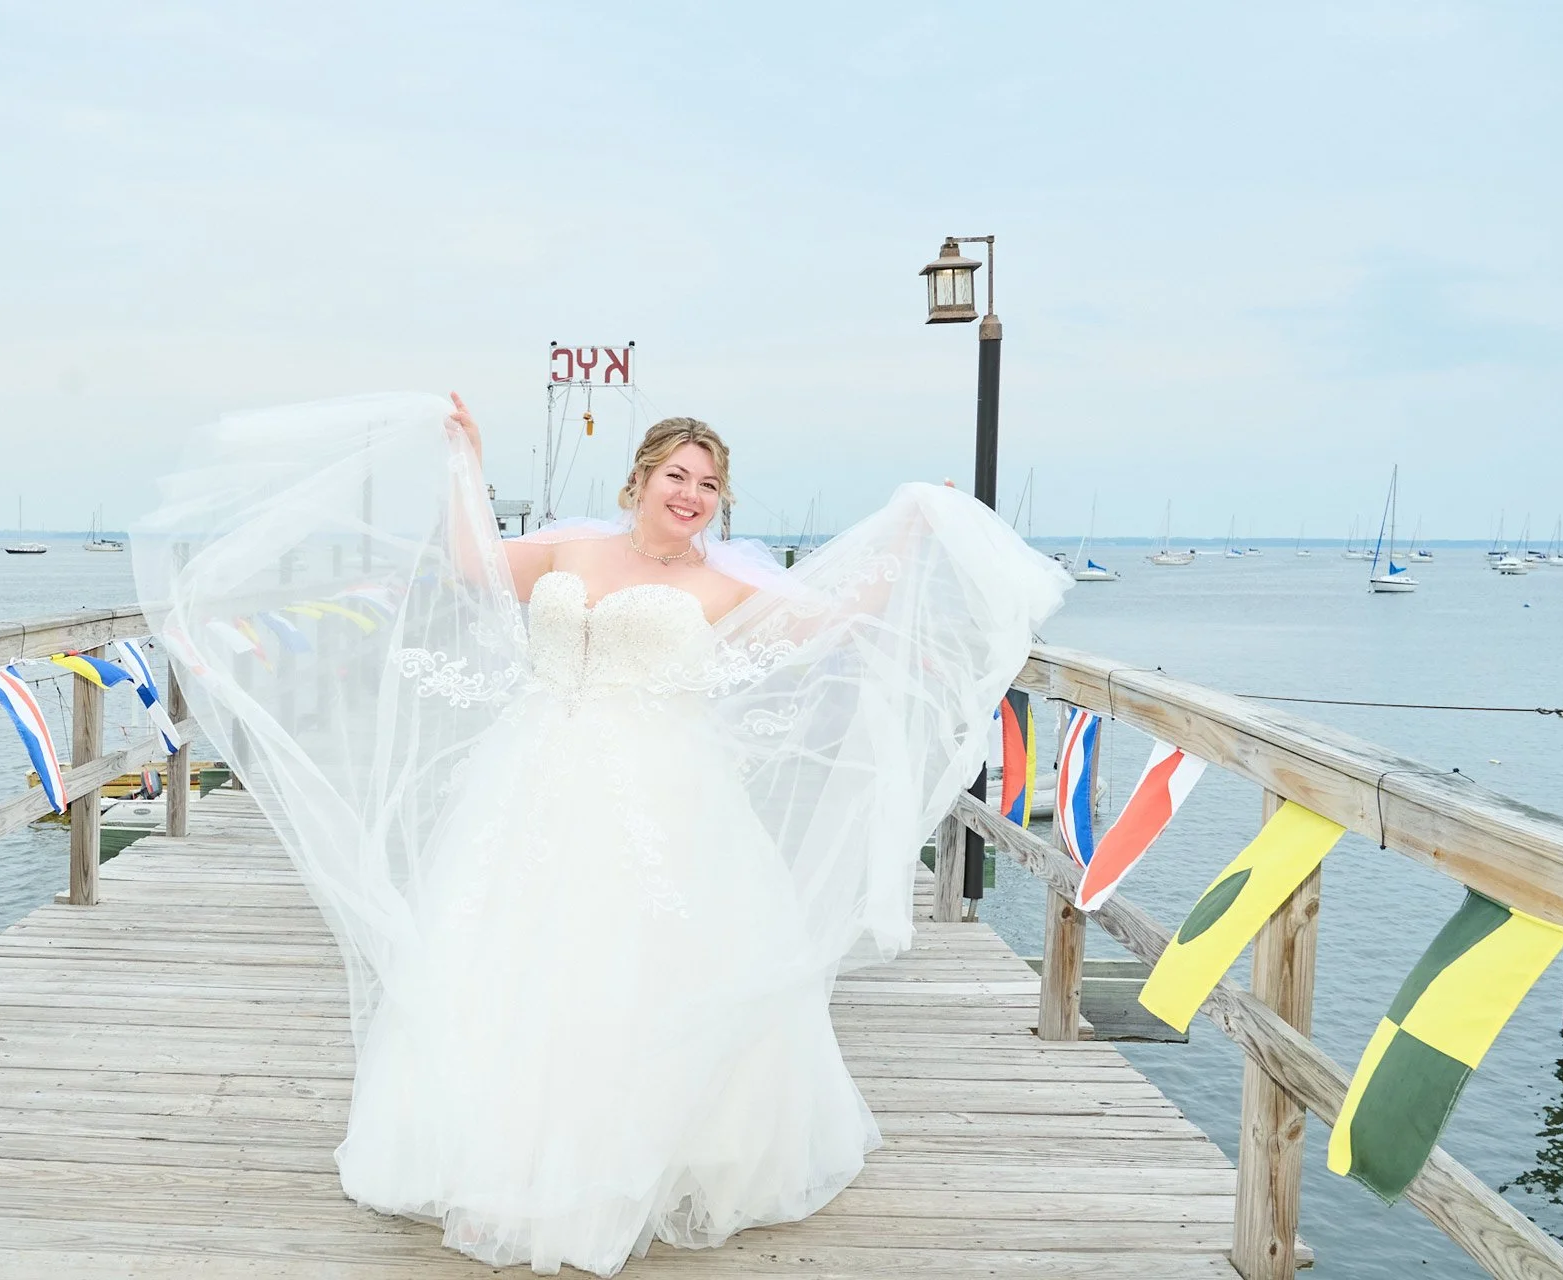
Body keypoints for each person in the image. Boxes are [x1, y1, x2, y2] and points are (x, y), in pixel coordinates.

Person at [133, 391, 1069, 1276]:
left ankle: (642, 1154)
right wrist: (470, 460)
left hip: (662, 790)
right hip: (531, 772)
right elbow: (473, 568)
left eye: (709, 486)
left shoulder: (728, 581)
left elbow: (841, 617)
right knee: (509, 955)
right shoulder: (571, 547)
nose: (692, 497)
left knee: (634, 962)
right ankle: (494, 1154)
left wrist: (906, 536)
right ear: (641, 479)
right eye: (678, 477)